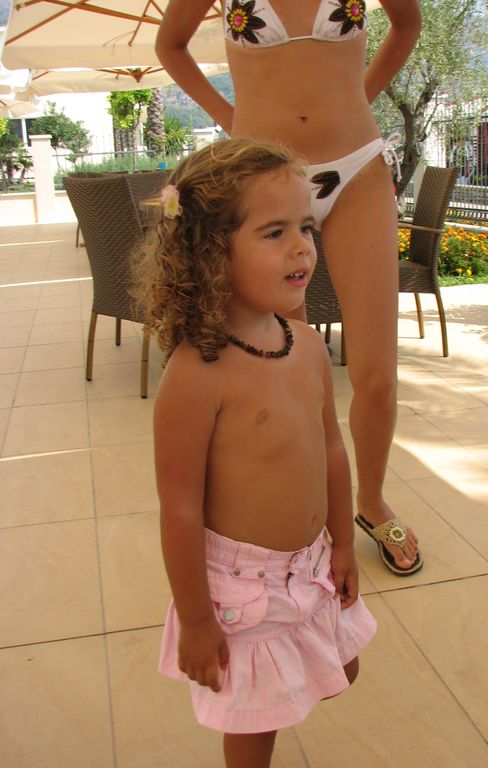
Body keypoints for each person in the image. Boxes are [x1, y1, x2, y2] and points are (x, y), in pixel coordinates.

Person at [156, 0, 423, 575]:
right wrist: (230, 117)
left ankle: (372, 502)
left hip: (357, 168)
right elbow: (169, 45)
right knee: (285, 377)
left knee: (377, 374)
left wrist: (359, 97)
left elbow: (408, 24)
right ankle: (307, 510)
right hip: (264, 183)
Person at [139, 138, 377, 768]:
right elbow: (180, 508)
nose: (302, 247)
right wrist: (196, 620)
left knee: (342, 669)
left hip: (312, 563)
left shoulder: (305, 344)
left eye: (306, 227)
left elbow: (330, 447)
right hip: (243, 589)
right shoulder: (197, 374)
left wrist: (342, 542)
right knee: (258, 720)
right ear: (212, 253)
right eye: (275, 232)